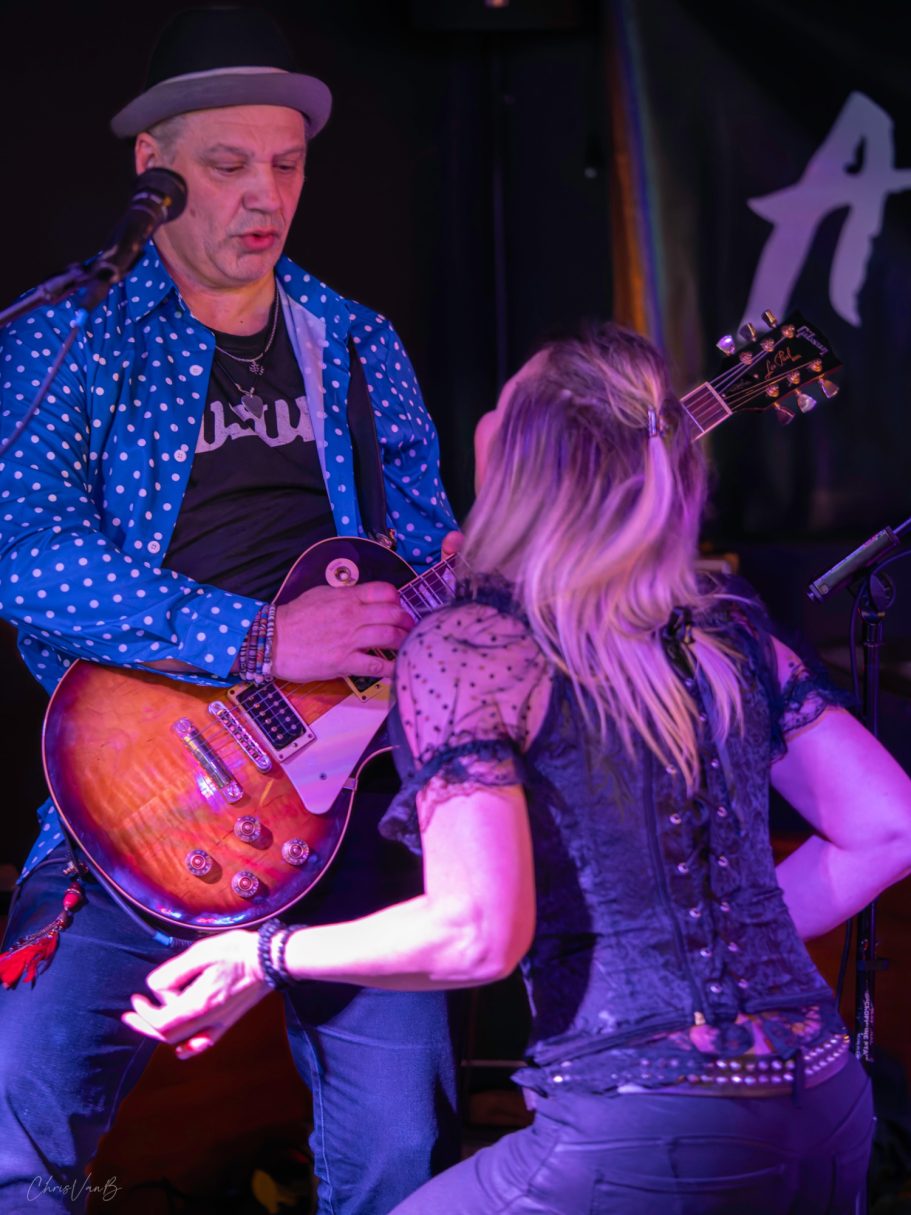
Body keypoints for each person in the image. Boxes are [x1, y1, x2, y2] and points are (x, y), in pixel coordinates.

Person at [126, 321, 911, 1215]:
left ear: (519, 452)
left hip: (641, 1124)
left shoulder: (471, 644)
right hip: (826, 1103)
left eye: (503, 400)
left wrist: (263, 954)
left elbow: (475, 932)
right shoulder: (723, 627)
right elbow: (887, 828)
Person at [0, 8, 460, 1213]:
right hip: (141, 793)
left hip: (346, 801)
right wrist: (258, 638)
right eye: (226, 165)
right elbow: (27, 557)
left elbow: (430, 554)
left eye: (287, 165)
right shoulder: (68, 338)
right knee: (13, 1132)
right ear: (151, 171)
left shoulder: (354, 343)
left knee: (395, 1153)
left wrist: (468, 585)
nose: (265, 195)